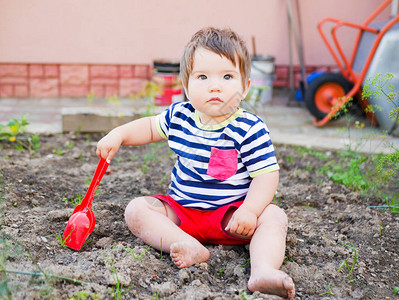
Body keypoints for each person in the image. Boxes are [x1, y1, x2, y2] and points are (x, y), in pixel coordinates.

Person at [96, 27, 295, 299]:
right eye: (202, 77)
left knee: (274, 217)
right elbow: (149, 128)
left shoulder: (249, 128)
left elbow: (266, 176)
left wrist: (249, 210)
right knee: (137, 210)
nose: (215, 86)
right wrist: (119, 134)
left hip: (231, 218)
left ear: (246, 87)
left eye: (227, 76)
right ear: (186, 86)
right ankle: (186, 245)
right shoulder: (179, 116)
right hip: (182, 214)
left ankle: (263, 270)